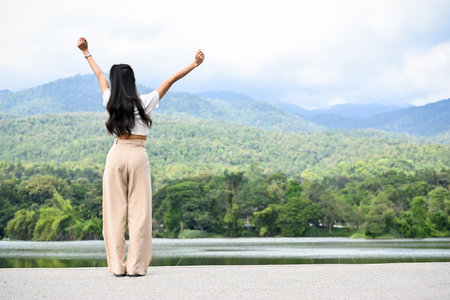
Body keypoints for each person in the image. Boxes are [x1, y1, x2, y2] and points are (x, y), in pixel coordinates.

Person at [77, 37, 205, 277]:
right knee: (140, 212)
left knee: (114, 212)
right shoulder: (145, 102)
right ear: (133, 81)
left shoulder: (109, 101)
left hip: (116, 155)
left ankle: (117, 266)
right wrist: (193, 65)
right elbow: (170, 80)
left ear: (116, 84)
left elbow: (100, 75)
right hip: (138, 155)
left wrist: (86, 52)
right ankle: (135, 267)